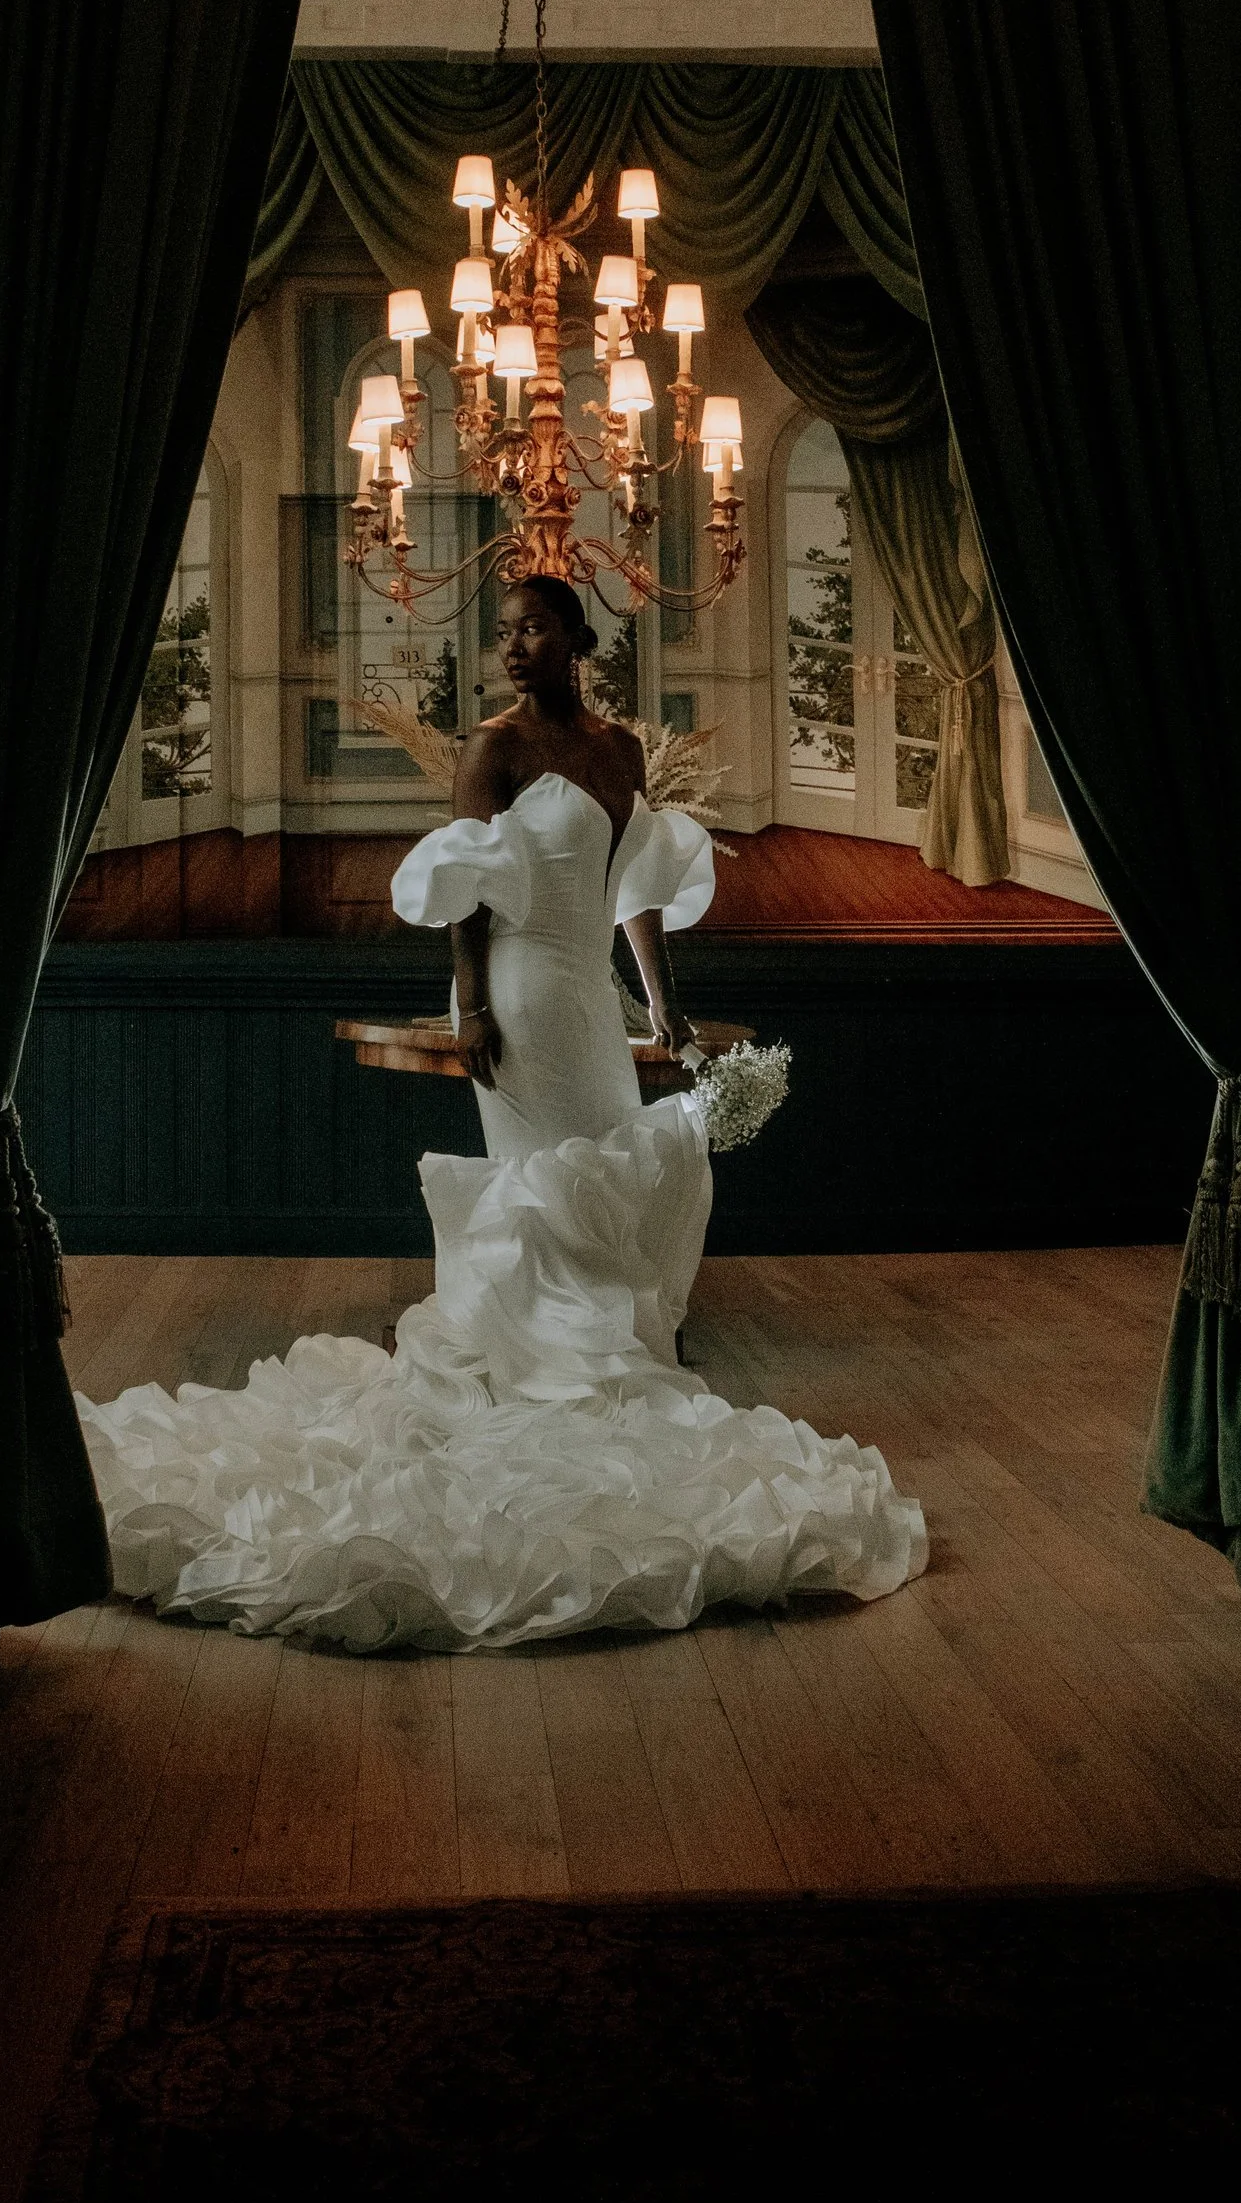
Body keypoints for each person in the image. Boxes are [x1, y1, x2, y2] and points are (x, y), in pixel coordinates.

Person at [76, 576, 926, 1650]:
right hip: (518, 993)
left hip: (585, 996)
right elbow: (467, 894)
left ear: (577, 637)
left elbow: (637, 896)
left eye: (532, 628)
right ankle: (536, 1378)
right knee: (543, 1185)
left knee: (614, 1170)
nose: (514, 646)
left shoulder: (618, 753)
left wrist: (664, 1011)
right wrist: (472, 1008)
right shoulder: (493, 751)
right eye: (504, 632)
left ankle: (594, 1368)